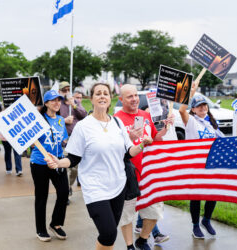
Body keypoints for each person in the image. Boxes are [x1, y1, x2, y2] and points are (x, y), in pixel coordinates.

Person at [45, 83, 153, 250]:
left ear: (110, 99)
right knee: (109, 232)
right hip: (95, 188)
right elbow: (73, 158)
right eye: (98, 93)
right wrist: (58, 162)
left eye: (106, 93)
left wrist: (142, 145)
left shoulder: (117, 123)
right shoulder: (83, 126)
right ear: (92, 99)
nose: (102, 96)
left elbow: (127, 152)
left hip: (118, 186)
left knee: (109, 237)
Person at [115, 84, 173, 250]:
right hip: (127, 174)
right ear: (121, 99)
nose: (134, 99)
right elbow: (113, 146)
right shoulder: (116, 120)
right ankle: (129, 245)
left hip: (149, 172)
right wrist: (129, 136)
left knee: (155, 210)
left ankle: (143, 239)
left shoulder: (146, 115)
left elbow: (155, 138)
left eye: (135, 95)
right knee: (127, 214)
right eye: (129, 96)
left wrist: (165, 129)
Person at [178, 82, 224, 239]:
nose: (203, 108)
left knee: (213, 193)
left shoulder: (211, 123)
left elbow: (222, 141)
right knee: (196, 196)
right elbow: (181, 110)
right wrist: (191, 93)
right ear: (193, 109)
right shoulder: (191, 121)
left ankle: (206, 220)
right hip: (196, 165)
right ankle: (195, 225)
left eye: (204, 105)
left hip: (211, 164)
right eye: (199, 106)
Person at [30, 90, 69, 242]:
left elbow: (63, 140)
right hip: (40, 163)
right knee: (41, 196)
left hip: (57, 162)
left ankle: (55, 223)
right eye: (53, 100)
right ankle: (40, 229)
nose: (57, 103)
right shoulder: (38, 120)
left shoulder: (60, 120)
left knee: (64, 192)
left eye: (59, 100)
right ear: (46, 103)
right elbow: (30, 139)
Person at [58, 82, 87, 201]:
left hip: (76, 140)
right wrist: (64, 121)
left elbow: (84, 115)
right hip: (64, 140)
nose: (66, 92)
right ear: (60, 92)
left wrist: (73, 105)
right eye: (64, 90)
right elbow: (52, 120)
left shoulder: (75, 102)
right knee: (66, 168)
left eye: (68, 89)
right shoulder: (58, 104)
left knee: (75, 168)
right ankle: (65, 191)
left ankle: (69, 185)